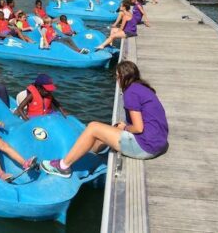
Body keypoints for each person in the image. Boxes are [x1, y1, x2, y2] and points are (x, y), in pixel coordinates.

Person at [40, 61, 168, 178]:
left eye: (117, 77)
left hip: (146, 147)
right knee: (105, 131)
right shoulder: (141, 88)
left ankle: (63, 166)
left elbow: (138, 128)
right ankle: (86, 156)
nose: (116, 80)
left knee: (93, 127)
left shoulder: (131, 93)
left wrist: (125, 127)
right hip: (159, 142)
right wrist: (123, 126)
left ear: (123, 77)